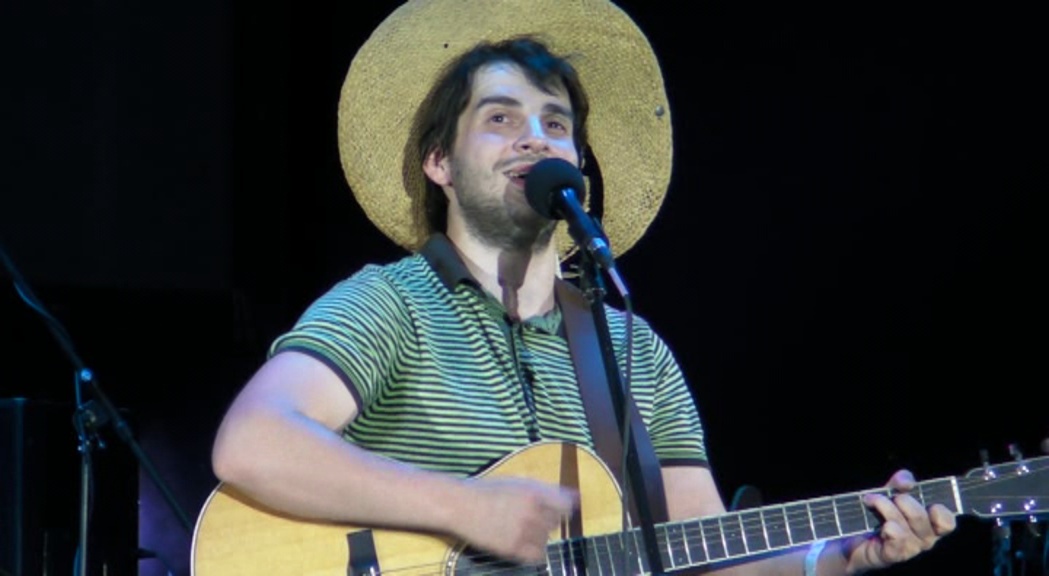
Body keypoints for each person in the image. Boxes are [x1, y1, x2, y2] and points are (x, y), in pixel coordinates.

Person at [209, 1, 957, 574]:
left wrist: (840, 556)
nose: (534, 138)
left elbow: (702, 552)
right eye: (500, 118)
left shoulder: (633, 350)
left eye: (555, 124)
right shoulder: (391, 304)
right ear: (439, 163)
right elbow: (252, 443)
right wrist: (465, 508)